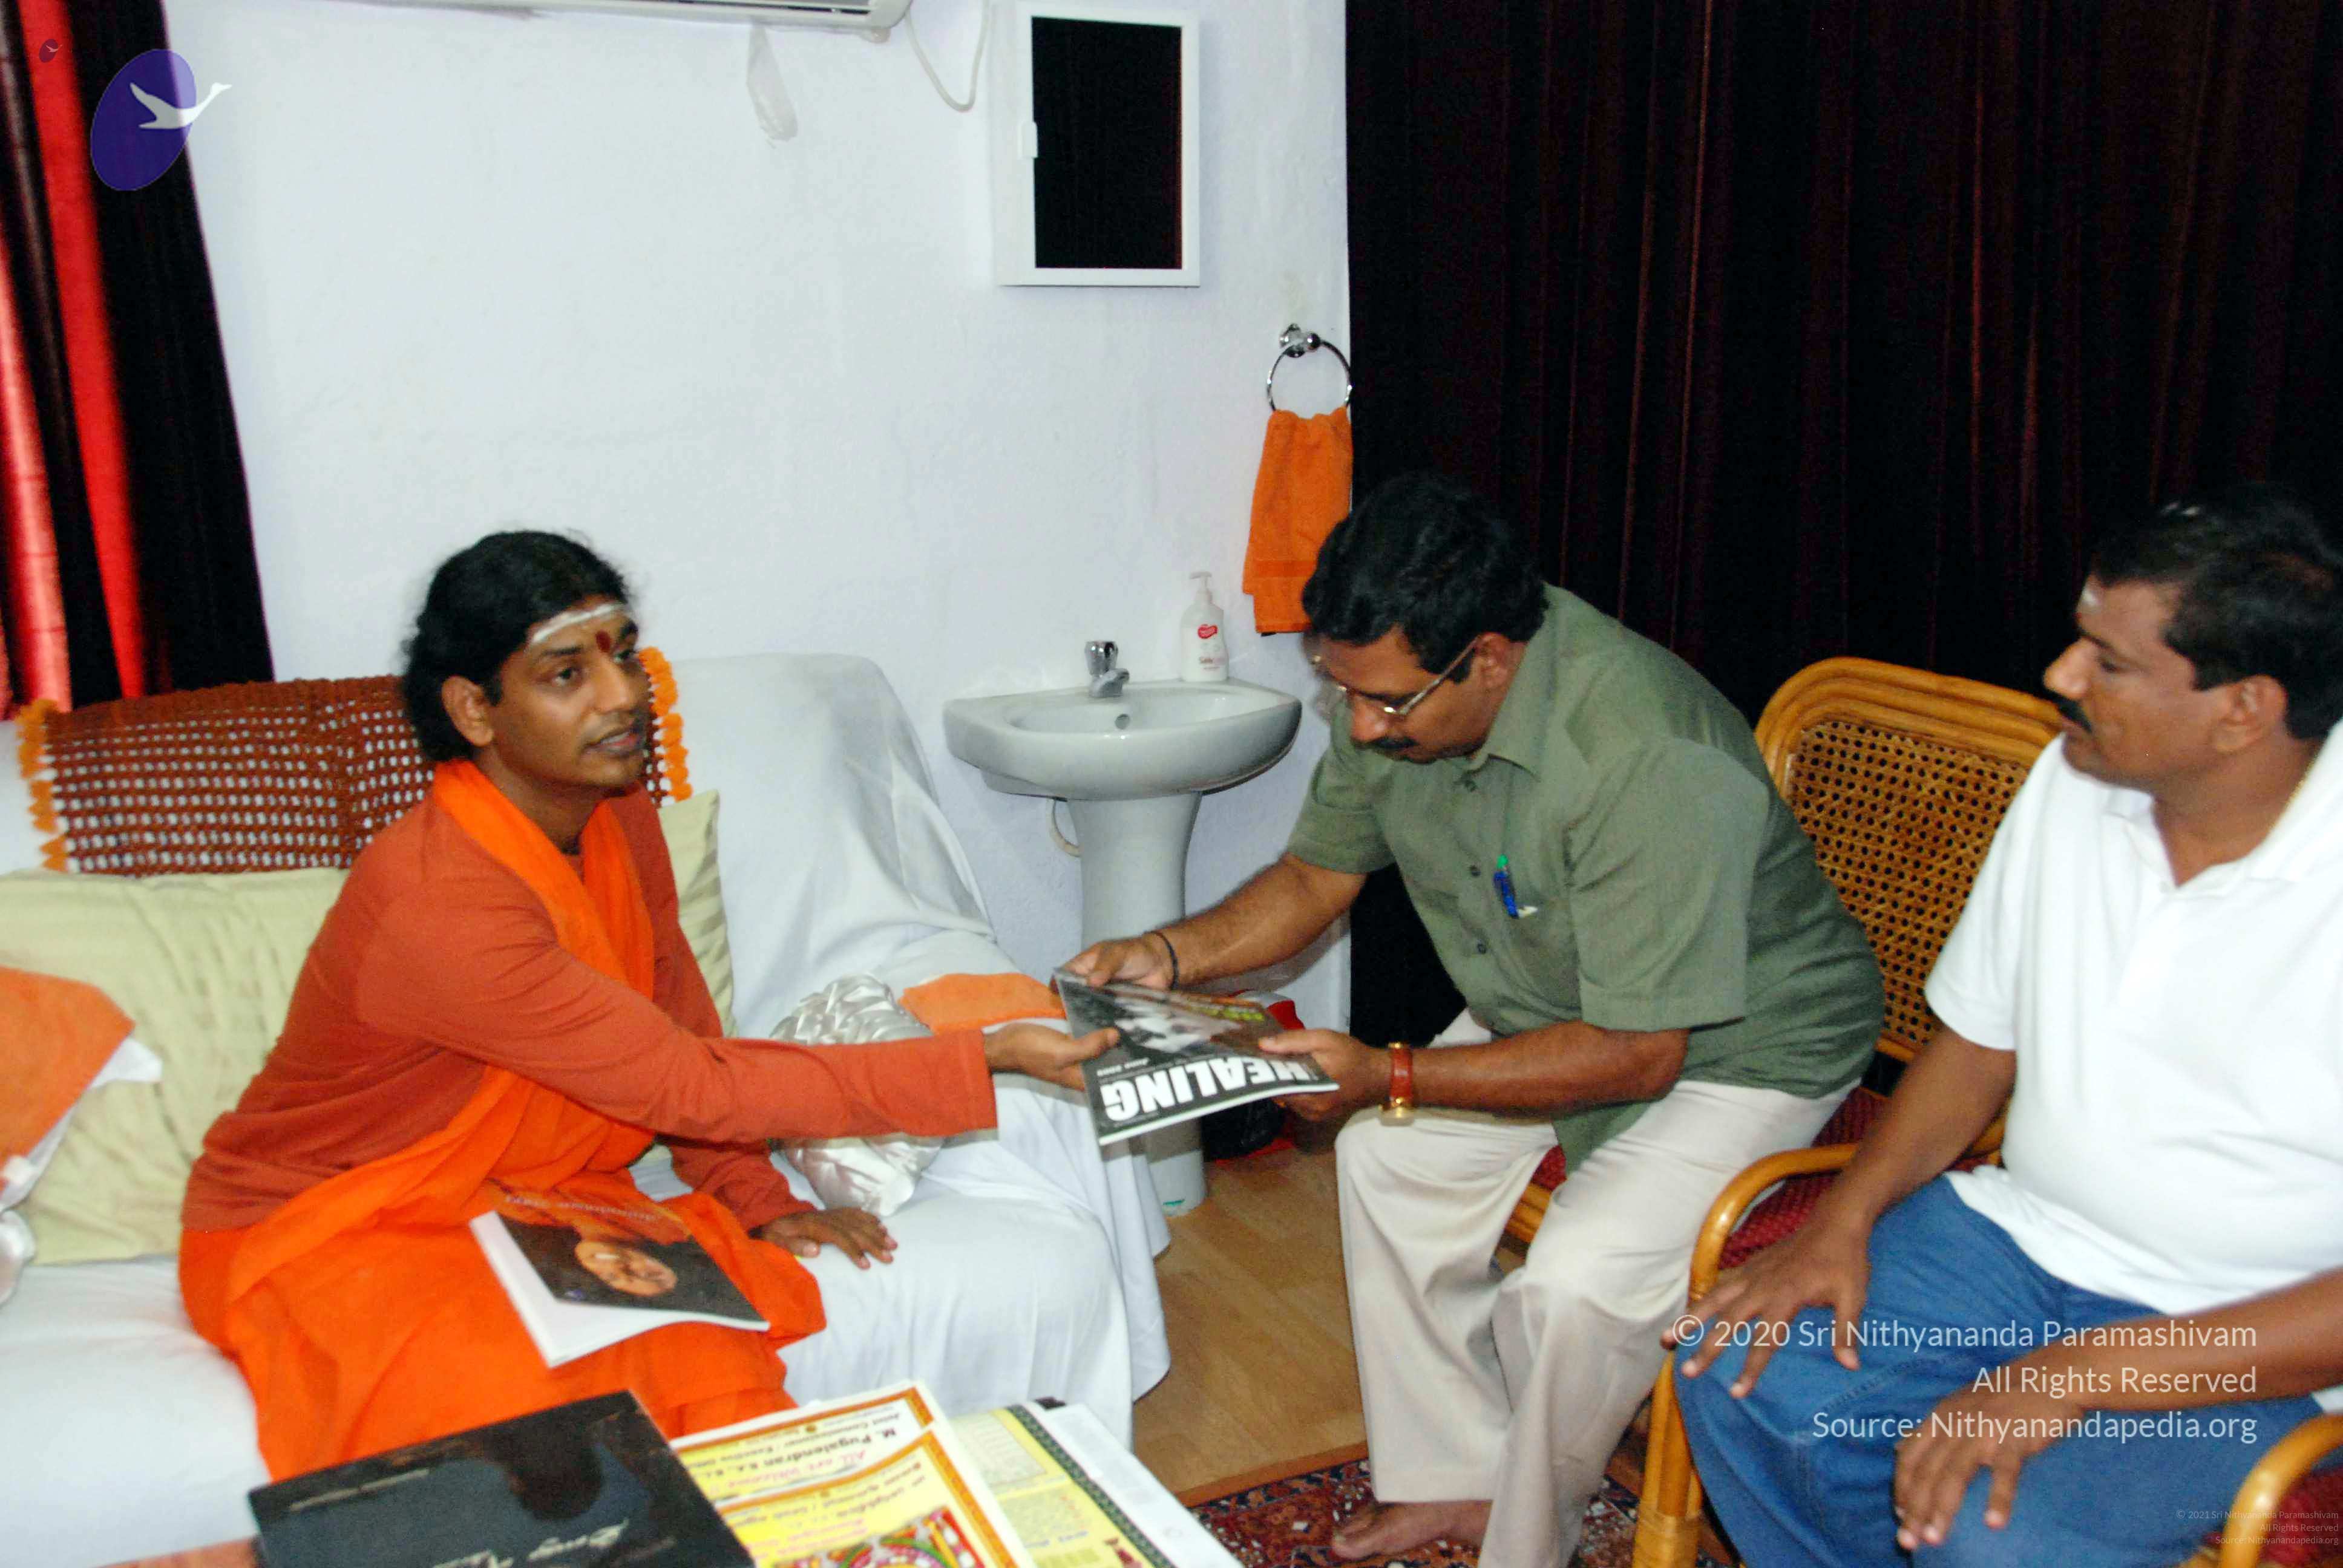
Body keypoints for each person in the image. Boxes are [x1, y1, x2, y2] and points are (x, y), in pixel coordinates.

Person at [1068, 473, 1883, 1568]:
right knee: (1385, 1163)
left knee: (1576, 1285)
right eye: (1341, 691)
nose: (1362, 726)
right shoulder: (1397, 692)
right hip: (1557, 1000)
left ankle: (1527, 1539)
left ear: (1491, 658)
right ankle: (1457, 1477)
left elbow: (1640, 1054)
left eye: (1389, 704)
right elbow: (1314, 877)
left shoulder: (1646, 753)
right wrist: (1165, 955)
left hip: (1743, 1045)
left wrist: (1387, 1074)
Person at [180, 531, 1113, 1478]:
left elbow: (681, 1025)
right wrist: (985, 1056)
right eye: (566, 674)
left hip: (534, 1194)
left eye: (622, 655)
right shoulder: (441, 902)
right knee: (512, 1419)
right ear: (473, 710)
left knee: (696, 1351)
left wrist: (753, 1200)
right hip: (338, 1220)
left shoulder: (615, 813)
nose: (623, 695)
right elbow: (691, 1083)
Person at [1671, 483, 2343, 1568]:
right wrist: (1842, 1220)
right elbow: (1981, 1041)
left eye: (2108, 664)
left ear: (2243, 711)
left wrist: (2078, 1374)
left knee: (2000, 1532)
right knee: (1745, 1374)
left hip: (2250, 1335)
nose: (2061, 678)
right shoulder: (2075, 779)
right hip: (2021, 1244)